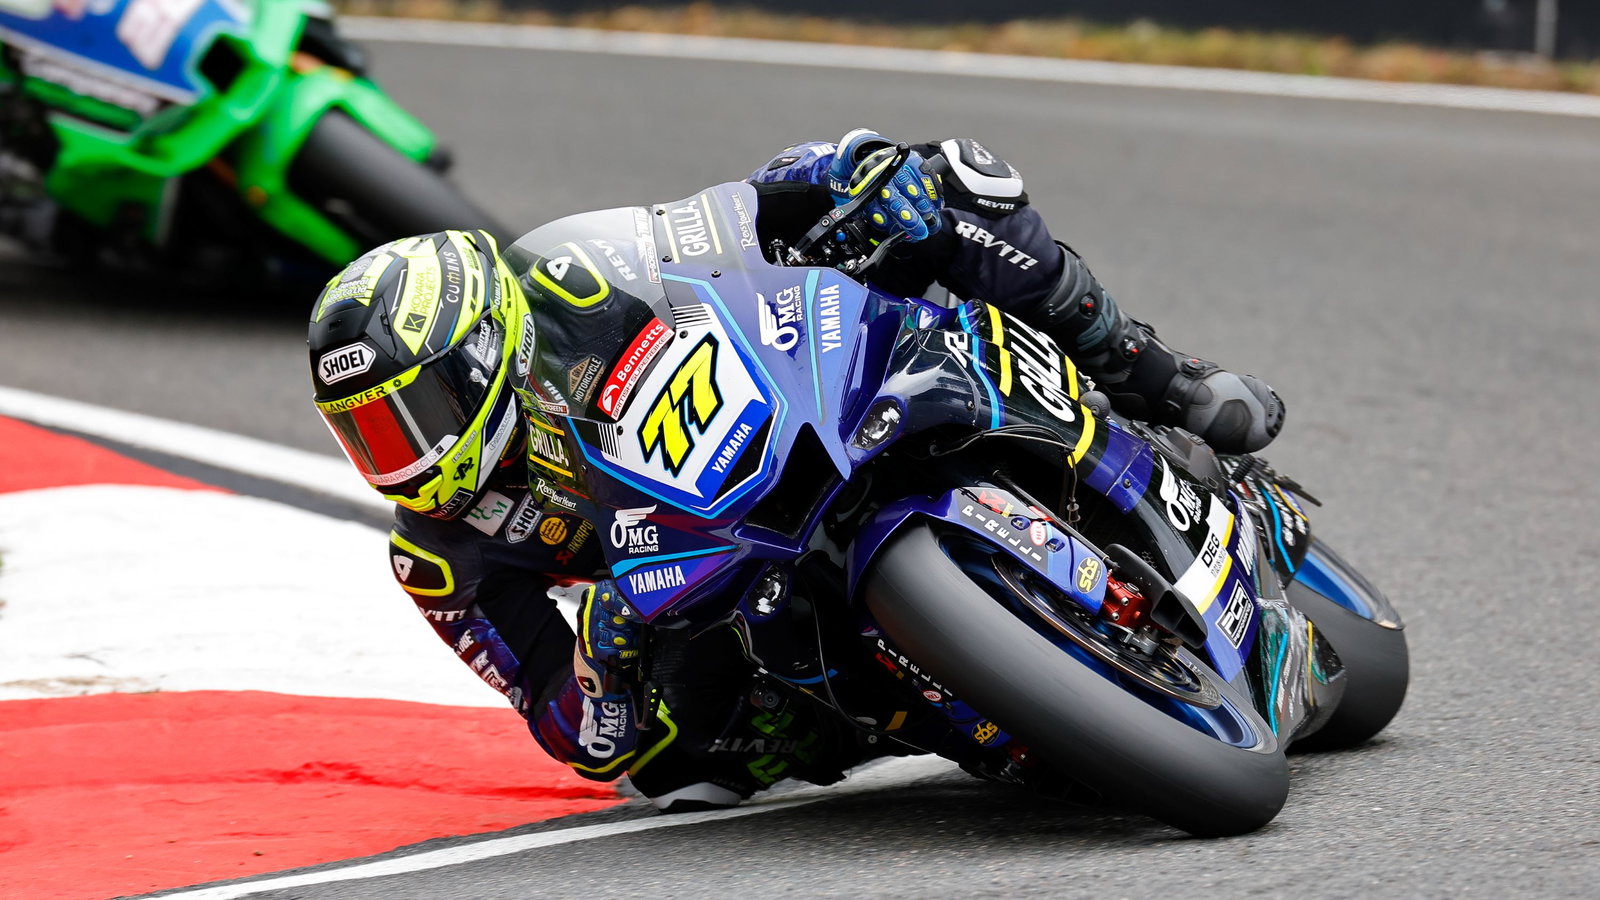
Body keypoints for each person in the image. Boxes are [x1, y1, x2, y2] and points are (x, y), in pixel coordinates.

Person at [305, 130, 1283, 812]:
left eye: (412, 415)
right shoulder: (439, 559)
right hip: (687, 597)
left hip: (776, 426)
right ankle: (973, 703)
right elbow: (569, 730)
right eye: (371, 436)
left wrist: (834, 187)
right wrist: (602, 663)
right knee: (674, 771)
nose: (403, 456)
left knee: (949, 182)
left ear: (484, 355)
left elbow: (713, 224)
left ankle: (1159, 377)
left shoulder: (567, 279)